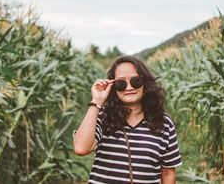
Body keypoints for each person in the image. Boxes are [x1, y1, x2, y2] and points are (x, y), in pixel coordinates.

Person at [73, 55, 182, 184]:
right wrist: (96, 102)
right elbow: (80, 148)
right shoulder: (103, 116)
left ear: (145, 83)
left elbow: (168, 172)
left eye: (135, 81)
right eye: (121, 83)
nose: (129, 87)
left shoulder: (163, 122)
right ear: (113, 86)